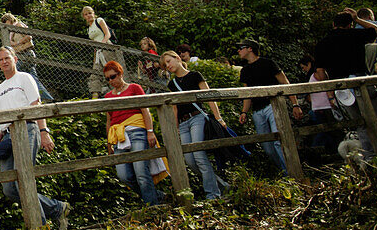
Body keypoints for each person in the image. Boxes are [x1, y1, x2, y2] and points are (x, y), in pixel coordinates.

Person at [0, 47, 70, 229]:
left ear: (15, 59)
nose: (4, 61)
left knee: (23, 179)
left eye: (7, 58)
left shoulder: (25, 78)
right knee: (9, 188)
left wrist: (44, 132)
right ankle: (57, 208)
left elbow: (36, 105)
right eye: (0, 59)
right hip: (7, 136)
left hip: (27, 129)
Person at [161, 51, 227, 200]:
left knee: (199, 155)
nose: (168, 65)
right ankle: (222, 186)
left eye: (169, 61)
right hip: (183, 123)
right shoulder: (172, 84)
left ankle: (213, 195)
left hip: (197, 118)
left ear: (177, 58)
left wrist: (219, 118)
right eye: (165, 64)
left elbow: (209, 96)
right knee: (190, 160)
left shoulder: (195, 75)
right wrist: (175, 127)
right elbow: (175, 107)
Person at [102, 61, 166, 206]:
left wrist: (150, 132)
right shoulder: (107, 97)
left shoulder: (134, 88)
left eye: (112, 77)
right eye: (107, 79)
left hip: (137, 130)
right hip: (118, 135)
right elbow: (109, 120)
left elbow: (145, 110)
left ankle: (152, 206)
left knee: (141, 171)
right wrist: (109, 143)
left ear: (120, 73)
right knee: (123, 175)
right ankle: (156, 196)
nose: (111, 81)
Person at [236, 39, 303, 174]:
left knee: (279, 140)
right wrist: (244, 112)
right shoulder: (245, 71)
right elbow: (247, 94)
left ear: (250, 49)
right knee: (267, 146)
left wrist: (295, 104)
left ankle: (291, 173)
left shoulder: (268, 63)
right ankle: (284, 171)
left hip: (274, 106)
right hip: (257, 110)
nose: (238, 51)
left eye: (241, 48)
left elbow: (285, 83)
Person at [1, 12, 54, 103]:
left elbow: (28, 36)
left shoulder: (18, 25)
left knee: (13, 73)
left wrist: (17, 43)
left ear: (9, 20)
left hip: (26, 55)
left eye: (5, 22)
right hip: (22, 55)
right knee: (32, 78)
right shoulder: (11, 31)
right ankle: (47, 98)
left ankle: (12, 96)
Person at [298, 54, 338, 153]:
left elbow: (326, 83)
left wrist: (330, 99)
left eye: (304, 67)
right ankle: (331, 151)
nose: (303, 70)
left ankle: (314, 150)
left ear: (309, 64)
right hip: (319, 106)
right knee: (327, 130)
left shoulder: (316, 73)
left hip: (323, 105)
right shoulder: (312, 75)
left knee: (326, 130)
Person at [81, 6, 113, 97]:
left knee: (111, 70)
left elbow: (107, 34)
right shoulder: (89, 29)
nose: (89, 16)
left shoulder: (99, 21)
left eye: (90, 13)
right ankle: (95, 95)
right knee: (95, 72)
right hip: (98, 51)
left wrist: (102, 45)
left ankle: (118, 92)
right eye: (86, 14)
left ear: (93, 13)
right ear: (84, 17)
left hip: (107, 48)